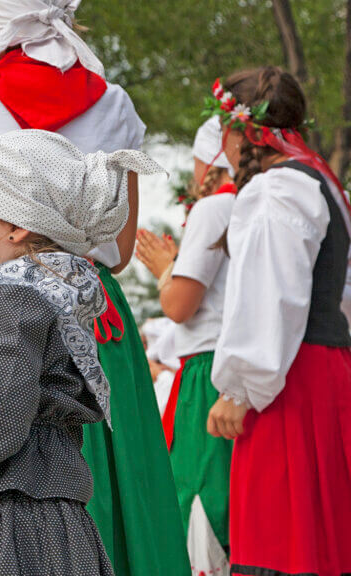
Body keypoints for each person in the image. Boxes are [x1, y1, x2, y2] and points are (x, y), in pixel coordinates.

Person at [0, 3, 187, 574]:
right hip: (93, 315)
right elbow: (114, 250)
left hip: (1, 298)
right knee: (123, 492)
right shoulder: (114, 103)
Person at [0, 130, 163, 575]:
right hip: (49, 514)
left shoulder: (8, 298)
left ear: (16, 224)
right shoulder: (44, 294)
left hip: (16, 518)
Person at [206, 67, 351, 576]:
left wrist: (240, 387)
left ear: (238, 131)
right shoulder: (322, 183)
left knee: (282, 546)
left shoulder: (277, 191)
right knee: (324, 542)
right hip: (325, 369)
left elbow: (273, 296)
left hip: (289, 384)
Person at [135, 116, 236, 573]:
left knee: (200, 495)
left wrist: (164, 269)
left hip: (208, 374)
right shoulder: (258, 201)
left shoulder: (216, 207)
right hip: (234, 368)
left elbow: (179, 306)